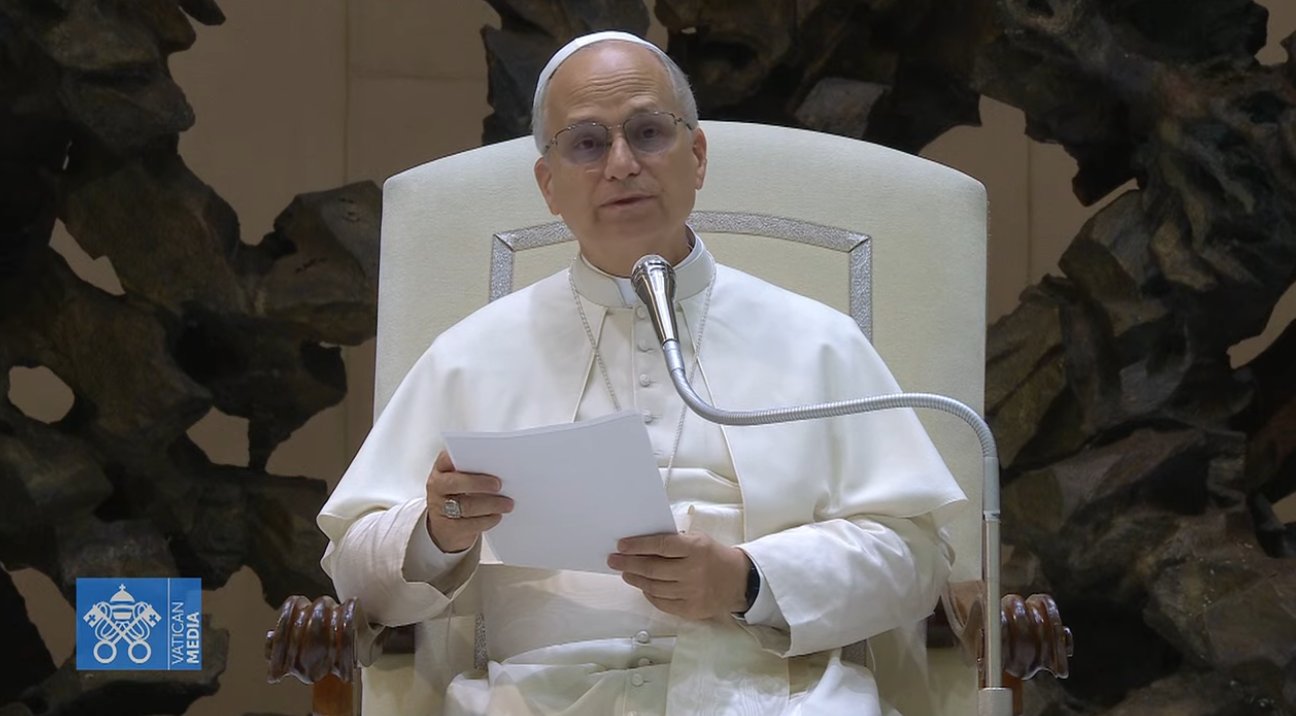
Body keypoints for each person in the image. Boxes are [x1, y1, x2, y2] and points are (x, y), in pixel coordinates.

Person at [318, 30, 966, 716]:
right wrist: (437, 533)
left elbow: (915, 559)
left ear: (697, 155)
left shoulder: (817, 342)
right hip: (540, 700)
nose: (622, 164)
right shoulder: (470, 355)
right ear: (548, 184)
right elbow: (357, 578)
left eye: (648, 132)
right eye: (587, 144)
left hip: (777, 697)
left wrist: (749, 580)